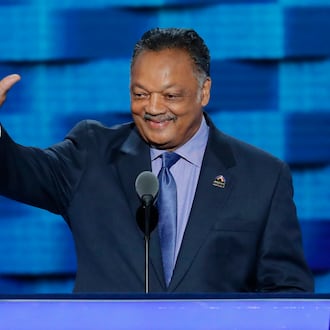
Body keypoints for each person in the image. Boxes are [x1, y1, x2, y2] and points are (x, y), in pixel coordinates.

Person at [0, 28, 314, 293]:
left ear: (204, 92)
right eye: (140, 94)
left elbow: (288, 292)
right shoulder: (91, 154)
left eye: (170, 96)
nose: (153, 108)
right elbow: (14, 172)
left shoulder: (262, 176)